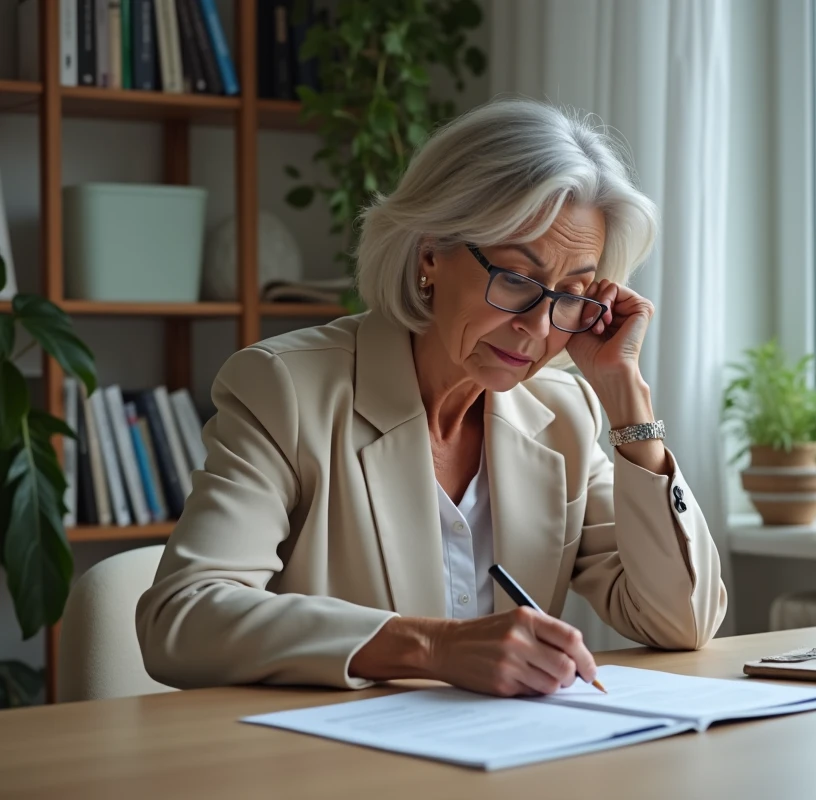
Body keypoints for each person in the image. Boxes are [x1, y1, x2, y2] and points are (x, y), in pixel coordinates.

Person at [135, 98, 727, 697]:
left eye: (572, 293)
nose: (542, 328)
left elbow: (679, 623)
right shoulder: (286, 390)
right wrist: (434, 648)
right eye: (518, 281)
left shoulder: (564, 414)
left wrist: (629, 403)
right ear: (430, 255)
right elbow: (182, 617)